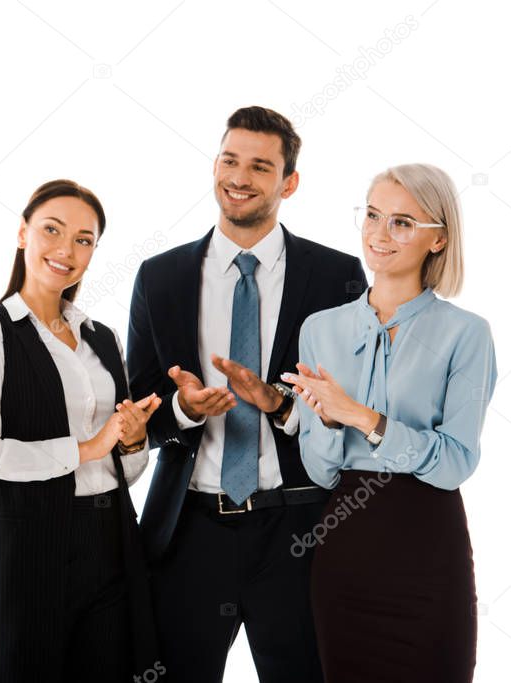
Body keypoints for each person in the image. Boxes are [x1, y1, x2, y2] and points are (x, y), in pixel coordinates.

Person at [127, 106, 368, 681]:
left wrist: (280, 406)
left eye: (260, 166)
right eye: (230, 159)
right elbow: (137, 417)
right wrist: (182, 409)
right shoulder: (159, 277)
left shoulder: (337, 277)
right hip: (188, 530)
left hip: (300, 528)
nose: (239, 176)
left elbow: (353, 420)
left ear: (289, 183)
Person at [283, 163, 496, 682]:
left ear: (439, 240)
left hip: (428, 546)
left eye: (402, 222)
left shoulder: (466, 334)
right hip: (347, 550)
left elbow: (454, 462)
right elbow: (321, 471)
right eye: (373, 215)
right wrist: (330, 424)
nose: (379, 234)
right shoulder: (321, 329)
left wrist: (360, 417)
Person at [0, 179, 162, 682]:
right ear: (22, 234)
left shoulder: (101, 336)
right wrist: (88, 446)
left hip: (110, 535)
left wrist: (133, 440)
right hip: (26, 543)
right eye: (51, 230)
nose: (66, 249)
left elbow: (123, 467)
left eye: (83, 239)